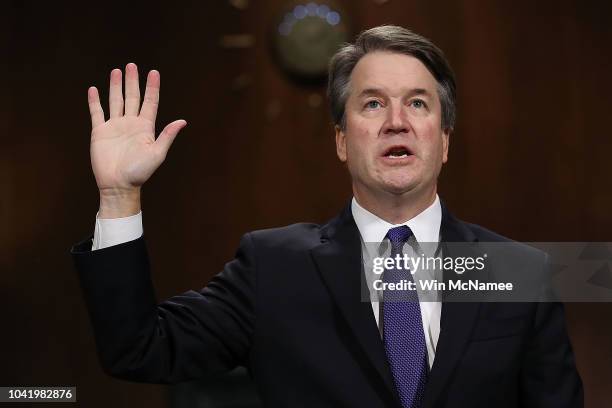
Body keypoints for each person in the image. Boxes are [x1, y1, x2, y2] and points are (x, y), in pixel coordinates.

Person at [72, 25, 583, 407]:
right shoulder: (272, 267)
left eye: (419, 104)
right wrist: (119, 195)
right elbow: (139, 349)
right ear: (342, 140)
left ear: (444, 140)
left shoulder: (516, 272)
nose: (397, 122)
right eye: (373, 104)